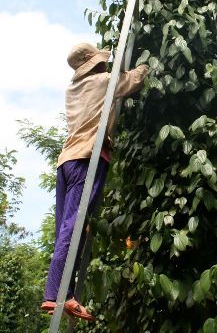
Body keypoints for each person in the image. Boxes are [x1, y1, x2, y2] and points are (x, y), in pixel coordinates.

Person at [40, 42, 148, 321]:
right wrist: (147, 63)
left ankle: (66, 295)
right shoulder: (103, 81)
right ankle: (54, 294)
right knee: (73, 226)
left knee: (67, 226)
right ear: (96, 63)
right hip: (88, 158)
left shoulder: (72, 89)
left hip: (66, 161)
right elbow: (133, 80)